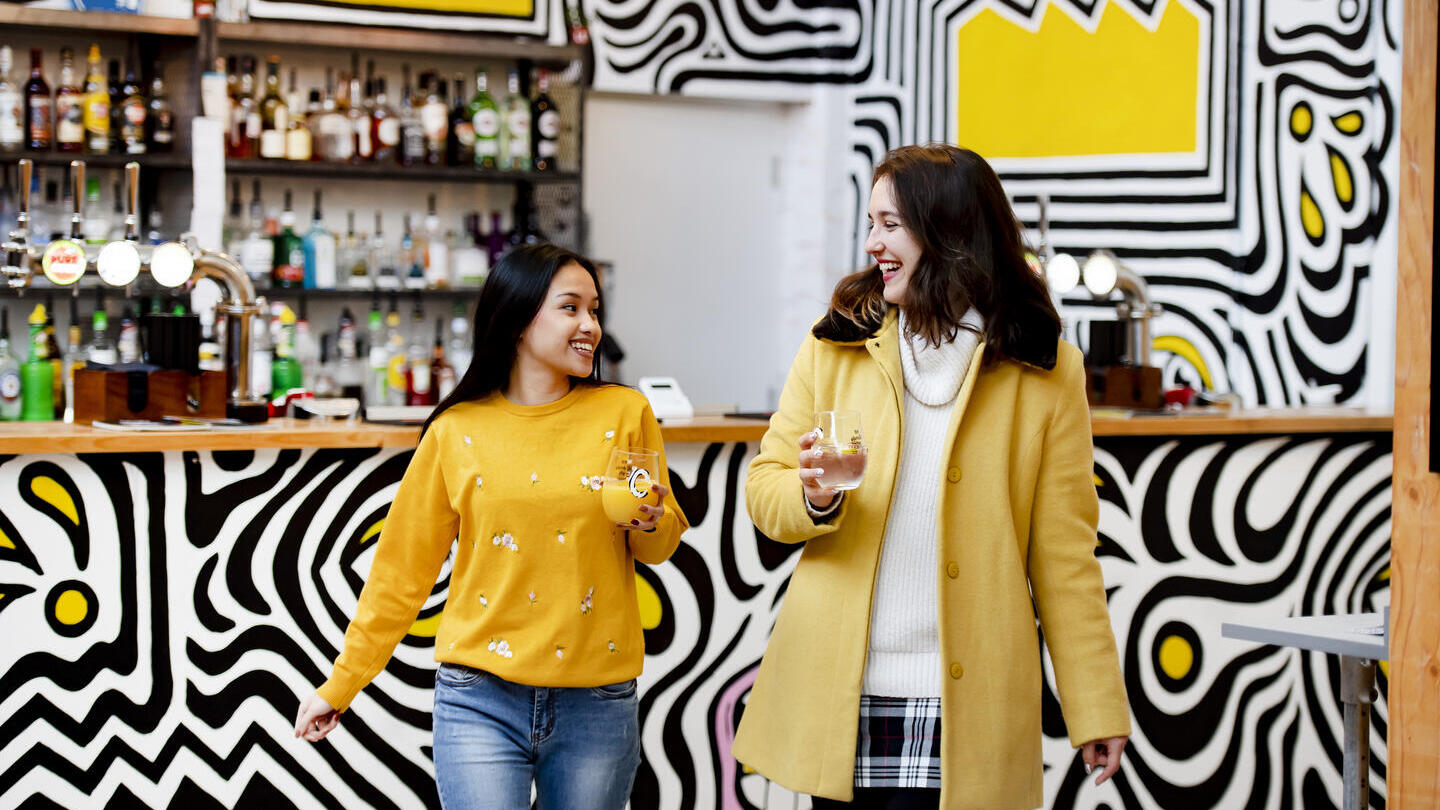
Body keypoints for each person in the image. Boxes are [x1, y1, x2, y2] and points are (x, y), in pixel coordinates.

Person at [732, 144, 1131, 810]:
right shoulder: (836, 342)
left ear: (948, 230)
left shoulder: (1044, 368)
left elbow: (1066, 558)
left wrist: (1094, 704)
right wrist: (813, 493)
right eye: (869, 223)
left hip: (968, 704)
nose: (871, 243)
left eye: (890, 224)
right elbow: (765, 489)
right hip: (843, 691)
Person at [294, 243, 689, 810]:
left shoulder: (625, 414)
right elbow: (400, 572)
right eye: (571, 308)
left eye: (595, 310)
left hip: (597, 701)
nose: (591, 326)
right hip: (479, 697)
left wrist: (652, 518)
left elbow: (658, 544)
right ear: (519, 319)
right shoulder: (456, 430)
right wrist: (342, 683)